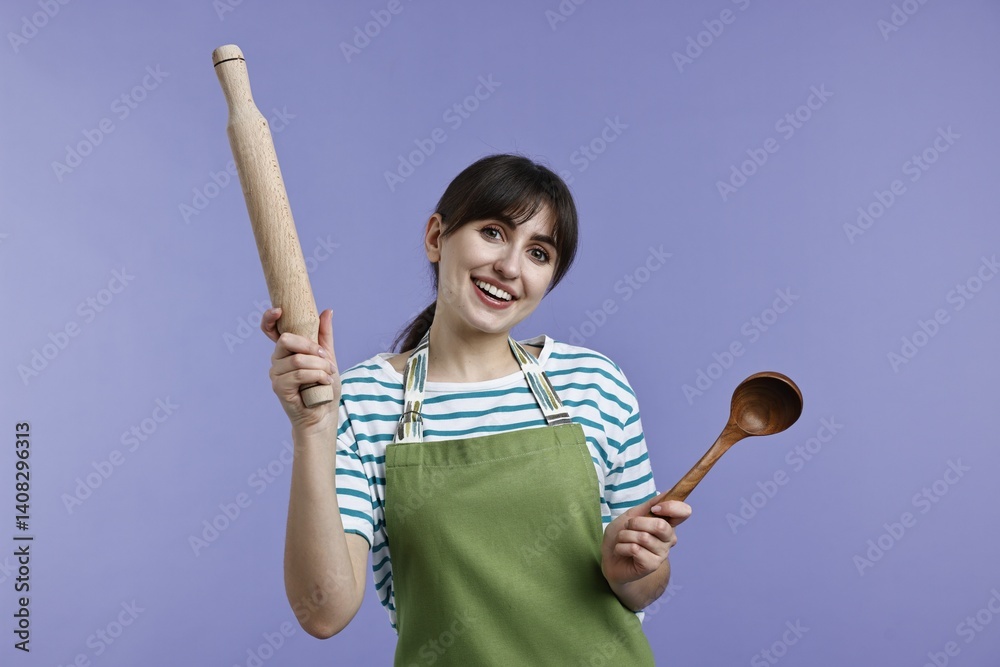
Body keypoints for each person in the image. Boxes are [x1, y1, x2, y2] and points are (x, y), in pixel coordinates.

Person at [259, 153, 692, 665]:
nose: (509, 267)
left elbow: (642, 590)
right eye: (492, 232)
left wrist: (635, 567)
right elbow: (322, 612)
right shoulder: (361, 400)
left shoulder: (594, 383)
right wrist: (313, 429)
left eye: (538, 253)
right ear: (436, 237)